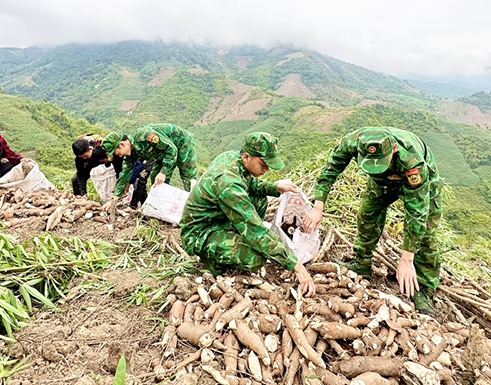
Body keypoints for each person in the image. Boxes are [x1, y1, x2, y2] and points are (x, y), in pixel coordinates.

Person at [302, 127, 444, 317]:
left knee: (425, 231)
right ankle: (361, 261)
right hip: (381, 181)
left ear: (393, 149)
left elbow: (416, 212)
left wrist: (406, 258)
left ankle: (424, 287)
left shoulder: (412, 161)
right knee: (367, 213)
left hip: (417, 183)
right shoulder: (352, 142)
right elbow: (330, 170)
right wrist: (318, 206)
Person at [180, 132, 315, 297]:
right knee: (256, 259)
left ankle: (236, 239)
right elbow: (255, 229)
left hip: (219, 217)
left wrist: (274, 188)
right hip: (200, 233)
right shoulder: (228, 185)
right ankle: (212, 260)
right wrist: (296, 266)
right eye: (263, 164)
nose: (266, 169)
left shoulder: (232, 158)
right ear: (246, 157)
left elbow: (250, 185)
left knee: (259, 200)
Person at [102, 123, 198, 210]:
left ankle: (196, 208)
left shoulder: (145, 136)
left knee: (187, 177)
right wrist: (115, 198)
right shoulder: (131, 154)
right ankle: (162, 209)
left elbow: (171, 149)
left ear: (121, 144)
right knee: (156, 180)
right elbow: (125, 174)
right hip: (163, 154)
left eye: (117, 153)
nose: (119, 155)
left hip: (182, 143)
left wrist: (163, 172)